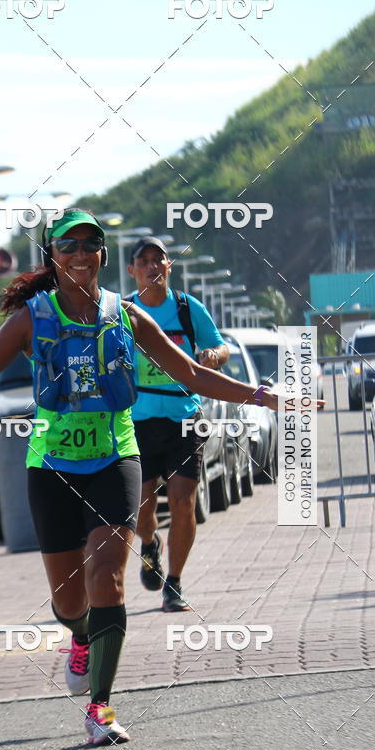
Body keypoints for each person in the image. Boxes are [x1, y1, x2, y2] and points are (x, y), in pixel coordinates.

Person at [0, 209, 319, 746]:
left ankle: (101, 709)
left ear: (101, 255)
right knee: (70, 603)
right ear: (53, 256)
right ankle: (79, 638)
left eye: (89, 244)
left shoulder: (128, 315)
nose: (78, 254)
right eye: (67, 246)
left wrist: (268, 395)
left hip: (115, 457)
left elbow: (190, 373)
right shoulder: (31, 317)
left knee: (108, 579)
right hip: (51, 468)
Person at [126, 237, 230, 612]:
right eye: (144, 261)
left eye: (159, 260)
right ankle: (150, 543)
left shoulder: (187, 308)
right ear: (132, 270)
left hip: (184, 416)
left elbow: (221, 346)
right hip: (137, 420)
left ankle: (175, 583)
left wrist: (212, 356)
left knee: (184, 502)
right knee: (141, 508)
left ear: (169, 266)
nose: (153, 266)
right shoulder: (125, 313)